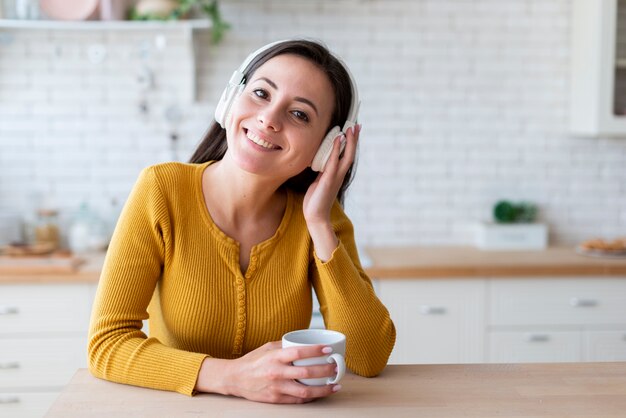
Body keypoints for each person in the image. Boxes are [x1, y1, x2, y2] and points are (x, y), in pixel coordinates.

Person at [87, 38, 396, 404]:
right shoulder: (161, 190)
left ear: (327, 147)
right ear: (231, 98)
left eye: (299, 114)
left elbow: (368, 356)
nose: (269, 118)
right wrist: (231, 377)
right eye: (262, 93)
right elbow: (107, 344)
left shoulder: (320, 218)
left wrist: (318, 223)